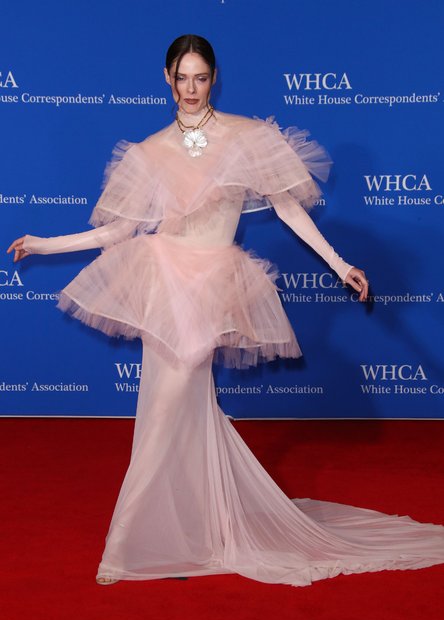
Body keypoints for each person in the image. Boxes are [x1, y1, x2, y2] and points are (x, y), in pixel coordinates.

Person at [8, 35, 444, 587]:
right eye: (182, 78)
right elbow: (119, 230)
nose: (191, 89)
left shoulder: (248, 137)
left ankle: (129, 546)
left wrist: (339, 265)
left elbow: (288, 209)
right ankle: (188, 526)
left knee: (171, 404)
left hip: (212, 283)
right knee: (165, 405)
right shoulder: (147, 152)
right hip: (162, 277)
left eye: (201, 78)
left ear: (214, 78)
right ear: (167, 77)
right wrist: (44, 243)